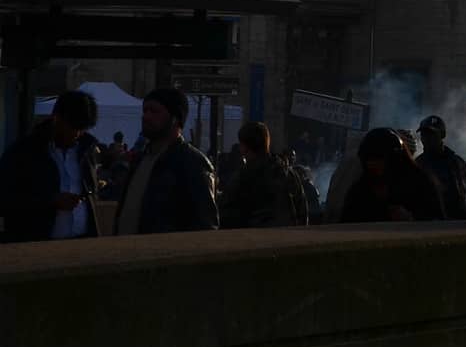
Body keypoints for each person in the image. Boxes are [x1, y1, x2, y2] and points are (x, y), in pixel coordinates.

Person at [1, 88, 104, 242]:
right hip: (36, 245)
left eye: (81, 129)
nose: (76, 134)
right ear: (56, 118)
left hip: (82, 243)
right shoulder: (23, 152)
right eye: (73, 127)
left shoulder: (86, 150)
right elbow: (5, 200)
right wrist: (50, 201)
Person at [112, 89, 218, 235]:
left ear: (175, 118)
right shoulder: (140, 159)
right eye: (145, 110)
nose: (146, 116)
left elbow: (205, 223)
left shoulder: (192, 162)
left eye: (154, 111)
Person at [340, 127, 443, 223]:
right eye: (368, 159)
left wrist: (410, 219)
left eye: (378, 158)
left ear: (395, 159)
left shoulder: (420, 185)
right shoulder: (360, 190)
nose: (372, 164)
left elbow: (437, 223)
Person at [218, 122, 309, 229]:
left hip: (253, 242)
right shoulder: (289, 175)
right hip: (286, 241)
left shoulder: (241, 178)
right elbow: (303, 213)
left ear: (244, 148)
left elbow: (227, 218)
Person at [415, 115, 466, 219]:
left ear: (442, 135)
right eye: (424, 134)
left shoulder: (458, 163)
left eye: (431, 134)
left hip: (461, 225)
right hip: (431, 227)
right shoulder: (418, 165)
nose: (426, 138)